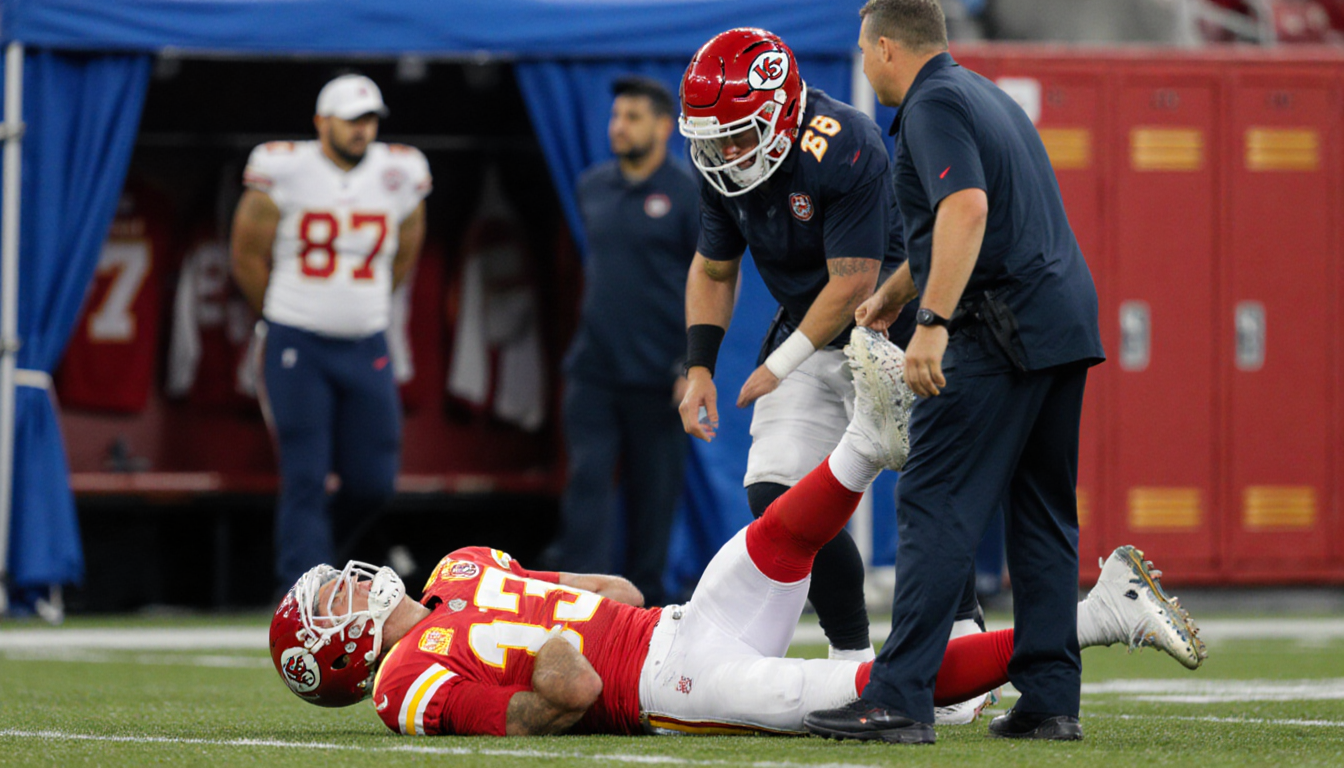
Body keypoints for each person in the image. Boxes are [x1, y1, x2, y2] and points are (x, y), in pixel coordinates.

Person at [268, 329, 1206, 736]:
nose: (347, 584)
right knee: (876, 691)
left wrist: (564, 637)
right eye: (333, 601)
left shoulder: (456, 567)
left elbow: (618, 598)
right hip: (672, 678)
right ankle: (1097, 617)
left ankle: (866, 441)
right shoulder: (401, 682)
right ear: (339, 652)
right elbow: (559, 693)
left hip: (669, 632)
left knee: (774, 541)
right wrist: (557, 650)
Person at [804, 0, 1109, 744]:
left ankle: (898, 697)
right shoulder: (980, 91)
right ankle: (1049, 700)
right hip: (1061, 323)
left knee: (935, 503)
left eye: (862, 48)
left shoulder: (932, 101)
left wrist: (931, 325)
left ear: (883, 49)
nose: (863, 60)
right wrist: (893, 296)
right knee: (1040, 513)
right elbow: (968, 218)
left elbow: (966, 210)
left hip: (996, 329)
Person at [675, 27, 982, 676]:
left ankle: (962, 638)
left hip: (892, 326)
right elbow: (712, 268)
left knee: (928, 493)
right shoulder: (722, 162)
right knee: (776, 497)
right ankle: (851, 656)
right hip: (808, 324)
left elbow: (856, 282)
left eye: (735, 133)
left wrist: (778, 364)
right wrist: (699, 365)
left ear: (783, 114)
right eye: (712, 136)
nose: (724, 151)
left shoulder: (844, 144)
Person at [231, 73, 431, 592]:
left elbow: (407, 249)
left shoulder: (400, 171)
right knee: (305, 475)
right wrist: (282, 313)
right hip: (297, 338)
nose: (362, 129)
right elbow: (247, 256)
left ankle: (319, 562)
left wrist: (360, 305)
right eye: (351, 119)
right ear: (321, 122)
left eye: (370, 119)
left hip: (366, 342)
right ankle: (300, 591)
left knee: (373, 482)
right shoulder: (284, 167)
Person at [545, 76, 700, 607]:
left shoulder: (688, 194)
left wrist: (691, 362)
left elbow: (716, 279)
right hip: (593, 370)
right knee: (585, 489)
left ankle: (647, 613)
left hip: (660, 376)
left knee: (653, 502)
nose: (618, 126)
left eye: (632, 116)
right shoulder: (591, 185)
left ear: (662, 126)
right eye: (615, 116)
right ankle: (578, 609)